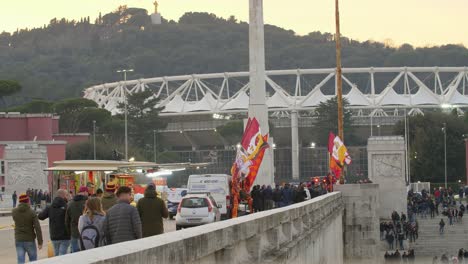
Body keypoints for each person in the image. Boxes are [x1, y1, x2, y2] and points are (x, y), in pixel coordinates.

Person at [12, 193, 43, 264]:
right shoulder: (32, 212)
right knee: (33, 261)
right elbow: (37, 228)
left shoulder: (14, 211)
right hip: (30, 240)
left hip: (18, 239)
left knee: (20, 261)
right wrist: (40, 242)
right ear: (27, 201)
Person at [38, 189, 70, 256]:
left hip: (54, 236)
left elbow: (40, 216)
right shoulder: (67, 206)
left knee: (56, 255)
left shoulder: (50, 207)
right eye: (67, 195)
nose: (68, 197)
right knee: (62, 256)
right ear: (63, 196)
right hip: (65, 236)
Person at [65, 186, 88, 252]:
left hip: (74, 233)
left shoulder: (70, 204)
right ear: (85, 192)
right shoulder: (88, 202)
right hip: (86, 233)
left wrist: (70, 232)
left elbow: (67, 220)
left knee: (75, 254)